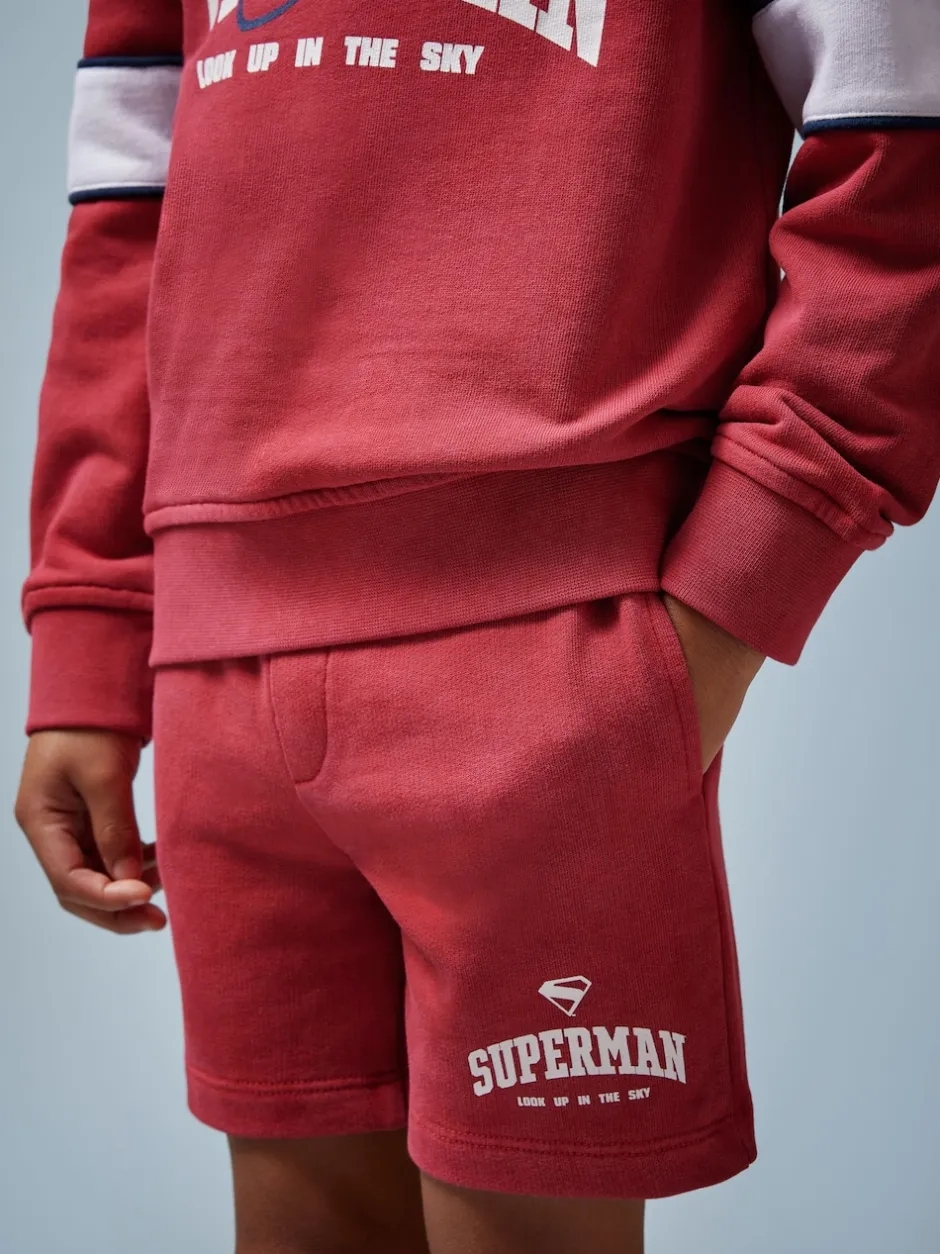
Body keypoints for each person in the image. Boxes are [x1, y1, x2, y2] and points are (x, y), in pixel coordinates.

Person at [12, 2, 940, 1251]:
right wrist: (87, 636)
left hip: (551, 667)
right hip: (216, 675)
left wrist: (735, 588)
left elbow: (904, 138)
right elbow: (128, 216)